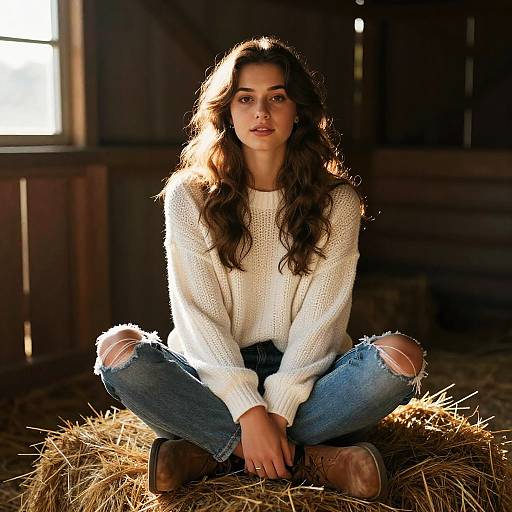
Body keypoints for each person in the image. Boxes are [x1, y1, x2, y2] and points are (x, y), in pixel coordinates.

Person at [93, 36, 428, 501]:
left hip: (307, 374)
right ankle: (312, 459)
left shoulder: (338, 203)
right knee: (117, 351)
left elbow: (322, 322)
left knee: (400, 358)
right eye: (245, 99)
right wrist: (248, 412)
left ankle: (209, 452)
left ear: (300, 111)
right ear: (226, 111)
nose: (261, 113)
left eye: (277, 98)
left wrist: (279, 408)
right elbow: (198, 317)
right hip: (210, 369)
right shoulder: (188, 195)